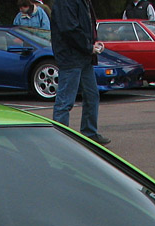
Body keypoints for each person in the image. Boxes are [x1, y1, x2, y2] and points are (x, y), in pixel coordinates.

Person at [50, 0, 109, 145]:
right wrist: (88, 46)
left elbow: (86, 25)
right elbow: (69, 29)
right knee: (65, 100)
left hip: (83, 56)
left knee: (92, 95)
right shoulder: (66, 3)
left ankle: (89, 133)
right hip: (71, 57)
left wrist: (91, 44)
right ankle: (59, 138)